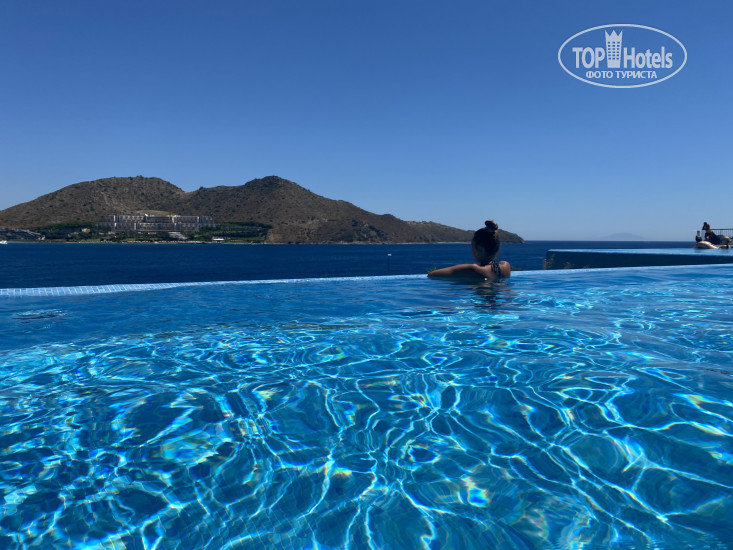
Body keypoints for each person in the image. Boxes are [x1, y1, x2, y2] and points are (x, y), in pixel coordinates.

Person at [428, 220, 511, 280]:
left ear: (479, 249)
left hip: (481, 300)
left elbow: (431, 274)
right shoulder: (506, 266)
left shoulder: (472, 270)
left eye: (472, 246)